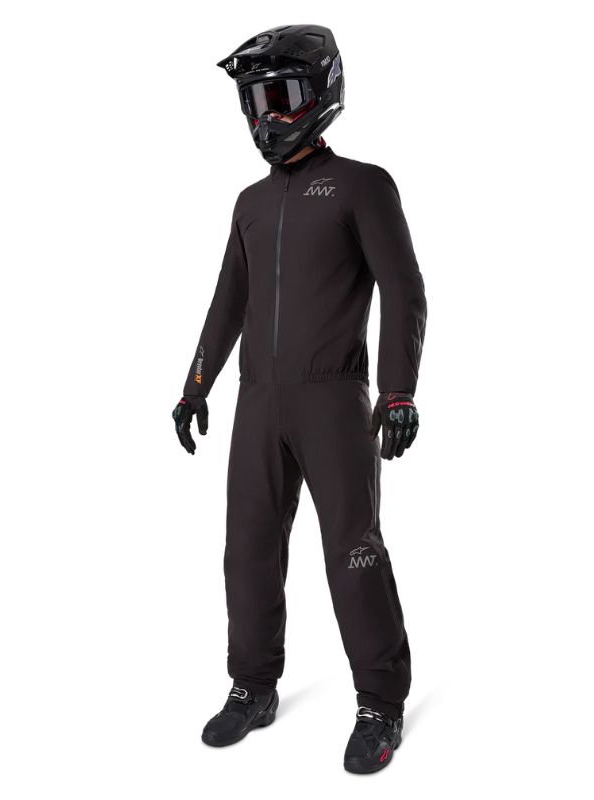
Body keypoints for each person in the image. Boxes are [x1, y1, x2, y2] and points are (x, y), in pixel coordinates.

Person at [171, 24, 427, 774]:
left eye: (281, 96)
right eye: (255, 101)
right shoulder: (249, 203)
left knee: (353, 550)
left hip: (334, 400)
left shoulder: (363, 185)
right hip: (257, 403)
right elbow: (228, 302)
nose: (266, 115)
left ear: (322, 94)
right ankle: (253, 686)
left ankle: (379, 702)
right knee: (247, 550)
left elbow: (405, 290)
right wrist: (194, 386)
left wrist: (400, 391)